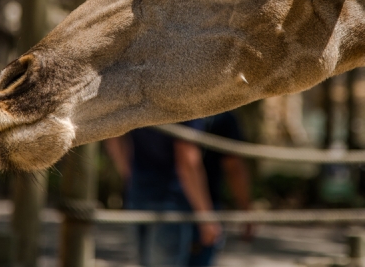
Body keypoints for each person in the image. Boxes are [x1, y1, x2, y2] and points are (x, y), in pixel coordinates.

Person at [104, 119, 221, 267]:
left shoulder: (136, 97)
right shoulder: (187, 100)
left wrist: (132, 177)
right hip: (170, 202)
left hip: (138, 195)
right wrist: (206, 216)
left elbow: (113, 139)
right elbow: (187, 159)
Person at [188, 112, 253, 266]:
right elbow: (234, 168)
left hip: (152, 202)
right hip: (202, 208)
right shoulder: (222, 114)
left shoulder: (163, 105)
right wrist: (246, 210)